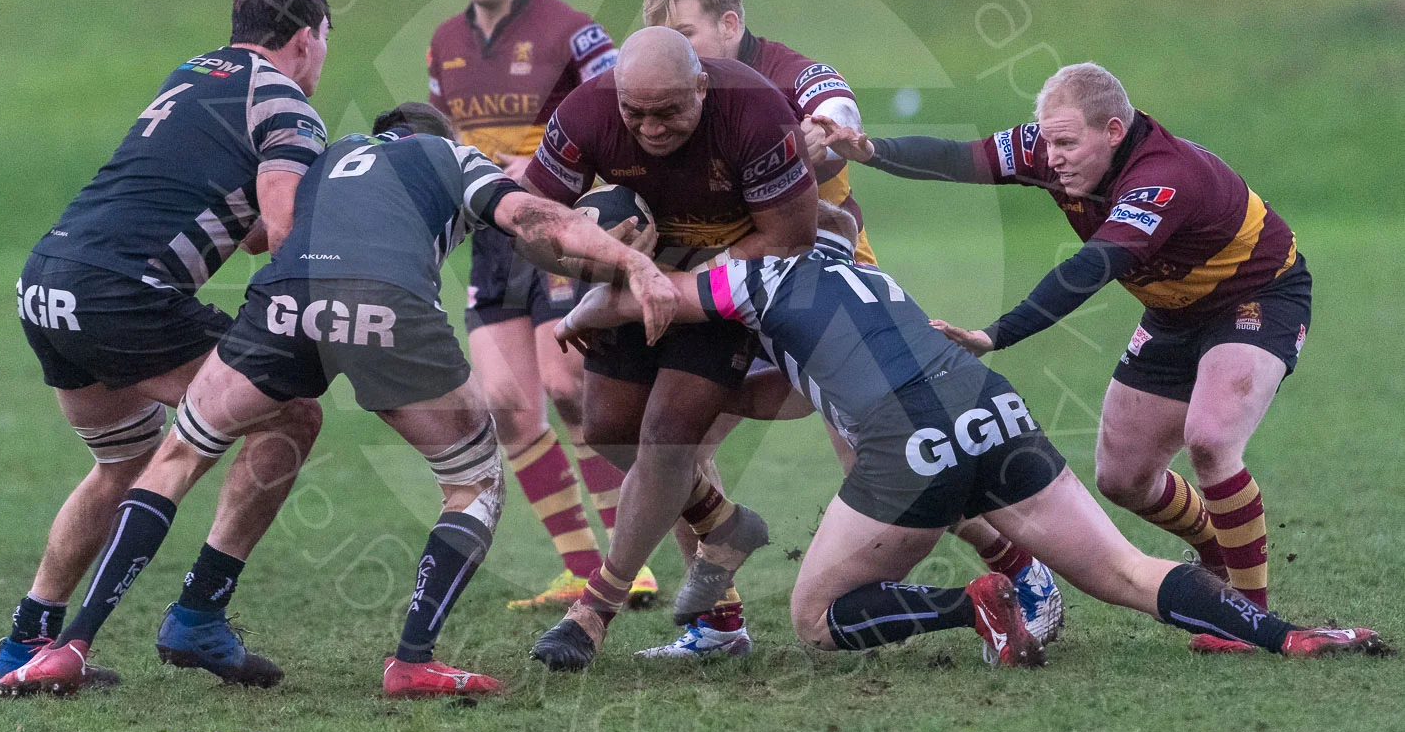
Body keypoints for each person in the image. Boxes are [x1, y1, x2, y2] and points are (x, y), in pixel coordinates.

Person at [0, 105, 678, 698]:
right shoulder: (449, 155)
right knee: (474, 481)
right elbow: (528, 217)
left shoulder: (325, 158)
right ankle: (412, 660)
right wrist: (631, 263)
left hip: (284, 301)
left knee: (180, 452)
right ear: (434, 137)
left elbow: (259, 231)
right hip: (386, 308)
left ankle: (74, 644)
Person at [552, 202, 1382, 667]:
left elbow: (648, 299)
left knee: (814, 617)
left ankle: (971, 605)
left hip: (908, 441)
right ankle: (1290, 636)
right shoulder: (860, 269)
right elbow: (801, 390)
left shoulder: (747, 276)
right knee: (1126, 571)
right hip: (991, 406)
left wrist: (582, 310)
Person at [634, 0, 1062, 658]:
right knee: (675, 444)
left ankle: (1022, 569)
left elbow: (837, 111)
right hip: (734, 297)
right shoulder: (684, 97)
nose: (680, 55)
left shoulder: (789, 73)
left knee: (888, 459)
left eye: (688, 34)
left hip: (827, 295)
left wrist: (819, 135)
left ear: (731, 23)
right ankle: (718, 623)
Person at [815, 62, 1309, 653]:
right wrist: (872, 150)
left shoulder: (1162, 178)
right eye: (1048, 142)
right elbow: (959, 158)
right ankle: (1212, 547)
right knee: (1122, 479)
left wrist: (997, 333)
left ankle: (1249, 620)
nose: (1053, 159)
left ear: (1114, 131)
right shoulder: (1048, 146)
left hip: (1255, 296)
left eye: (1068, 145)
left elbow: (1090, 269)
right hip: (1172, 313)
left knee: (1209, 440)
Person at [0, 0, 332, 694]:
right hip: (122, 293)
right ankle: (199, 614)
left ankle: (24, 640)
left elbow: (233, 219)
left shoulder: (193, 74)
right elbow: (281, 236)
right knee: (292, 411)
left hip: (48, 280)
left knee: (123, 460)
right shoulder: (286, 103)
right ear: (306, 40)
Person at [521, 26, 818, 670]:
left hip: (726, 287)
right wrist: (601, 261)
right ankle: (724, 525)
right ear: (615, 93)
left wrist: (677, 284)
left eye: (669, 112)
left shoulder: (755, 112)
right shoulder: (584, 113)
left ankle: (593, 612)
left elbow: (792, 235)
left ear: (702, 86)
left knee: (668, 437)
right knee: (608, 429)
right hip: (635, 278)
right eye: (636, 113)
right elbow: (530, 226)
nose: (651, 128)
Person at [427, 0, 653, 610]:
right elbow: (447, 141)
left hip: (560, 231)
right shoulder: (442, 44)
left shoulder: (572, 32)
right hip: (492, 239)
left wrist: (559, 173)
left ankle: (631, 562)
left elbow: (627, 113)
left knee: (569, 386)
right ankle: (581, 567)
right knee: (507, 405)